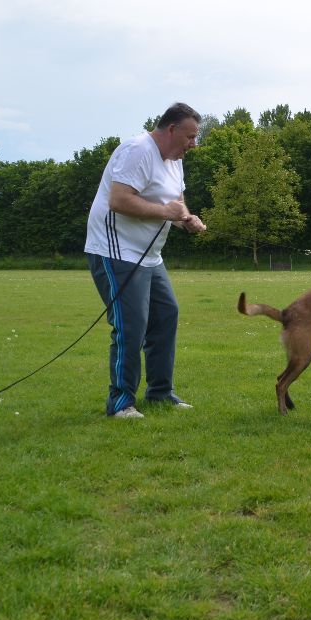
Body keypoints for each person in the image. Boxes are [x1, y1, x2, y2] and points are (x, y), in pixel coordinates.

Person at [85, 102, 208, 419]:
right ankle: (120, 403)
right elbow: (119, 200)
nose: (194, 144)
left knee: (166, 315)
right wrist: (167, 213)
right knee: (131, 326)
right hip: (115, 251)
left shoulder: (174, 161)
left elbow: (176, 204)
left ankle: (160, 393)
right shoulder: (137, 151)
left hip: (150, 256)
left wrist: (186, 219)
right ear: (171, 129)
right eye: (191, 136)